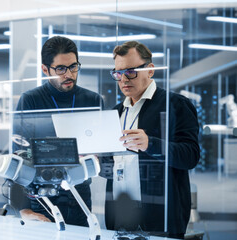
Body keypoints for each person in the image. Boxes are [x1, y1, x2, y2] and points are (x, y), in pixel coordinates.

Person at [105, 41, 200, 239]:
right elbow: (112, 168)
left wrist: (151, 144)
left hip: (160, 214)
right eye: (118, 73)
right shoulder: (116, 112)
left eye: (130, 71)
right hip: (121, 213)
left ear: (150, 70)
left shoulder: (175, 104)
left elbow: (190, 156)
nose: (123, 79)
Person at [14, 36, 104, 227]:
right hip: (41, 197)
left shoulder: (93, 101)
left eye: (73, 66)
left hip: (80, 195)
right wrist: (23, 209)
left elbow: (102, 153)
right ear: (45, 69)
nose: (69, 74)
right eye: (61, 69)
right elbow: (18, 156)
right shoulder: (31, 100)